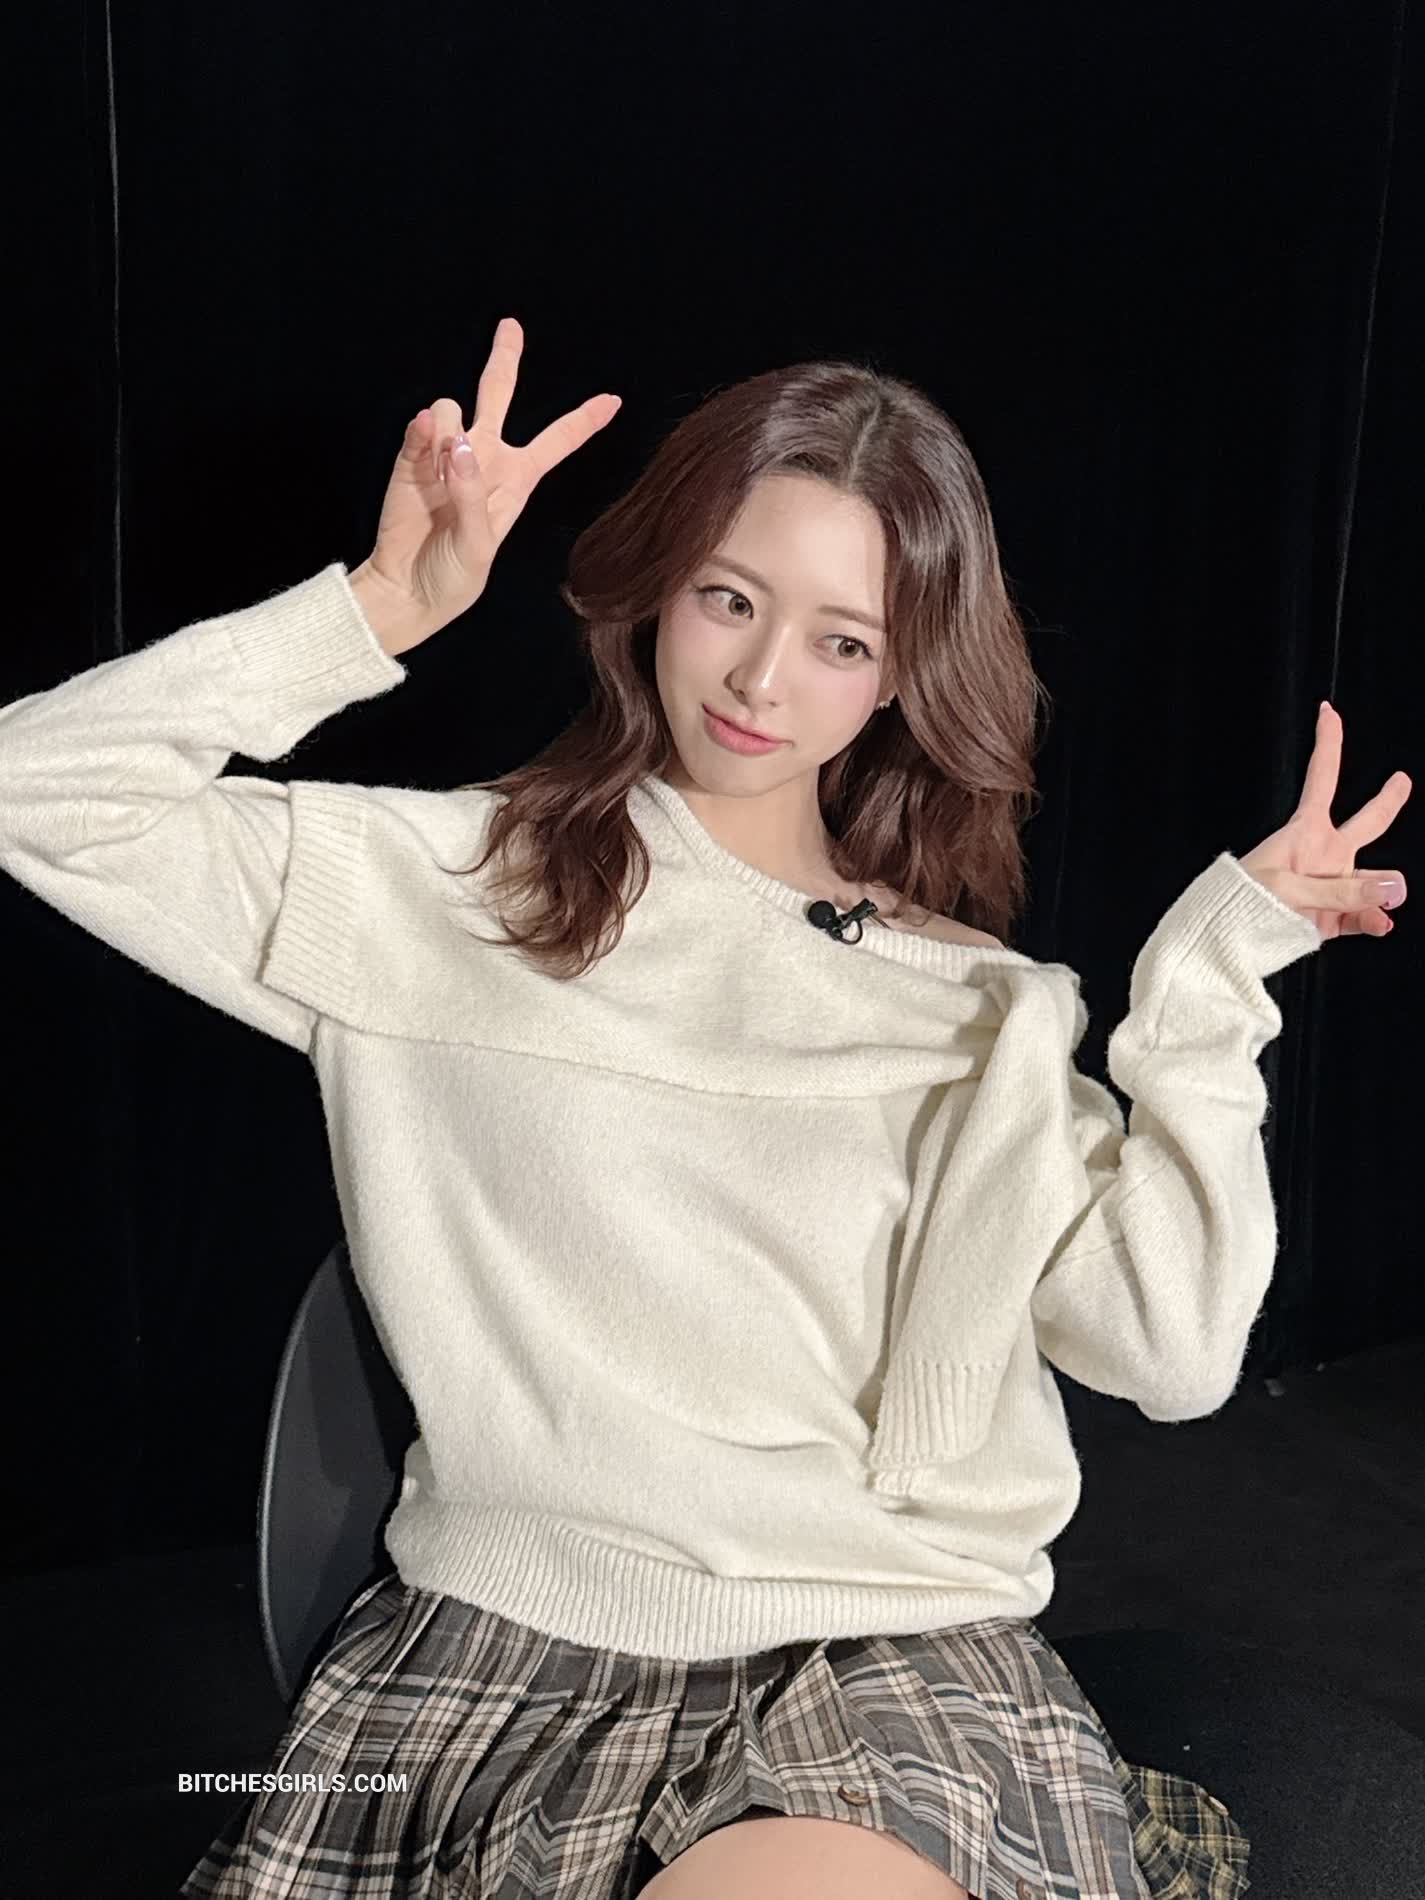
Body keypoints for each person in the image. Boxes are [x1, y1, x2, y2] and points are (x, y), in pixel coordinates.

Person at [1, 317, 1408, 1900]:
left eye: (840, 641)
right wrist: (378, 606)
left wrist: (1210, 993)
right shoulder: (443, 892)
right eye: (730, 599)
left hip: (891, 1650)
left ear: (901, 677)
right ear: (658, 587)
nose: (758, 679)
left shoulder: (978, 1011)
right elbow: (34, 787)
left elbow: (1170, 1350)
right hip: (518, 1651)